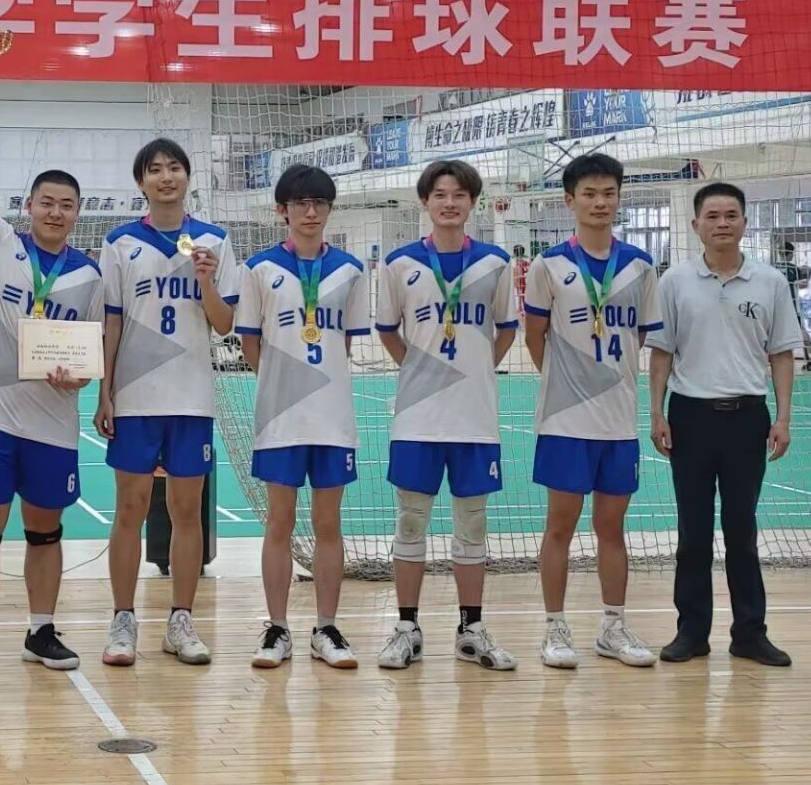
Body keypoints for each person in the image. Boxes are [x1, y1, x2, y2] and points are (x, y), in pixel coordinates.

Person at [0, 87, 101, 674]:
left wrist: (78, 379)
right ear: (29, 205)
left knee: (45, 528)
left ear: (78, 212)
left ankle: (41, 630)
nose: (55, 212)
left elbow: (90, 356)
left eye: (67, 205)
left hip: (51, 421)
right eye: (47, 202)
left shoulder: (90, 276)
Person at [96, 137, 239, 667]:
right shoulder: (119, 242)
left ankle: (181, 620)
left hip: (190, 398)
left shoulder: (215, 241)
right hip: (135, 397)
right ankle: (123, 619)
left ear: (186, 177)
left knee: (186, 511)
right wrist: (105, 390)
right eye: (154, 169)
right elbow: (111, 322)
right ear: (141, 182)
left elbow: (224, 324)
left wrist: (207, 283)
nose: (165, 177)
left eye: (174, 168)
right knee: (129, 509)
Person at [374, 158, 518, 672]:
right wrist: (421, 371)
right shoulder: (399, 264)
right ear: (425, 202)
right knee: (410, 520)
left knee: (472, 524)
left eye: (459, 195)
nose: (450, 203)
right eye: (440, 194)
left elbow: (507, 329)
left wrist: (473, 372)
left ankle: (470, 629)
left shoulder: (496, 262)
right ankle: (406, 628)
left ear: (473, 202)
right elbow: (387, 330)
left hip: (474, 416)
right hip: (417, 417)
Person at [645, 181, 796, 666]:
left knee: (741, 531)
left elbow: (781, 353)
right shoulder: (675, 282)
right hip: (690, 417)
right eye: (712, 216)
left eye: (731, 215)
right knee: (693, 534)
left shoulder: (770, 282)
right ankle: (691, 633)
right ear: (696, 225)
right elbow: (661, 353)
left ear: (745, 223)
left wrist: (783, 417)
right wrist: (657, 412)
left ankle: (750, 633)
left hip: (748, 418)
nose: (722, 223)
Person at [521, 152, 660, 670]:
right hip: (565, 421)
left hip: (618, 421)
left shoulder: (640, 266)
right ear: (569, 200)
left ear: (619, 199)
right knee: (560, 526)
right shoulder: (548, 265)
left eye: (609, 194)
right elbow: (535, 337)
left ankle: (613, 627)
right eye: (589, 194)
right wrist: (566, 386)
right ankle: (555, 628)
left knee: (611, 528)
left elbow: (644, 338)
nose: (600, 203)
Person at [236, 163, 367, 670]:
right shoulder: (258, 269)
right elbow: (250, 344)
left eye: (320, 203)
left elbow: (346, 343)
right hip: (281, 419)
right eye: (300, 204)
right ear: (282, 210)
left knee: (329, 523)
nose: (311, 212)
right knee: (280, 521)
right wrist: (282, 386)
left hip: (332, 418)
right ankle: (277, 628)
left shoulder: (351, 270)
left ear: (329, 209)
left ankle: (326, 627)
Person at [780, 240, 811, 360]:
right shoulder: (794, 269)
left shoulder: (771, 268)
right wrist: (807, 276)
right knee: (801, 329)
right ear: (790, 254)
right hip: (791, 305)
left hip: (775, 305)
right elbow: (803, 285)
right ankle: (809, 355)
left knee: (774, 331)